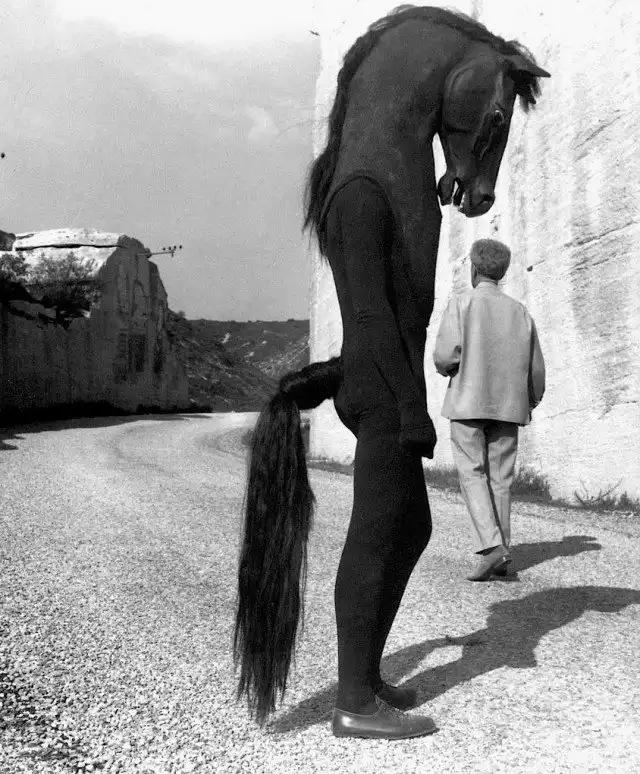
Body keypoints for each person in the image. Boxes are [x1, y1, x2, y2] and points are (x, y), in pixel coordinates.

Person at [433, 238, 546, 581]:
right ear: (502, 271)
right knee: (501, 479)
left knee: (472, 474)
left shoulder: (461, 303)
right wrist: (530, 400)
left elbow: (445, 356)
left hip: (468, 401)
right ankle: (502, 553)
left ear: (474, 268)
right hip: (509, 406)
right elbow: (536, 370)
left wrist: (451, 370)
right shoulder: (520, 312)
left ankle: (492, 547)